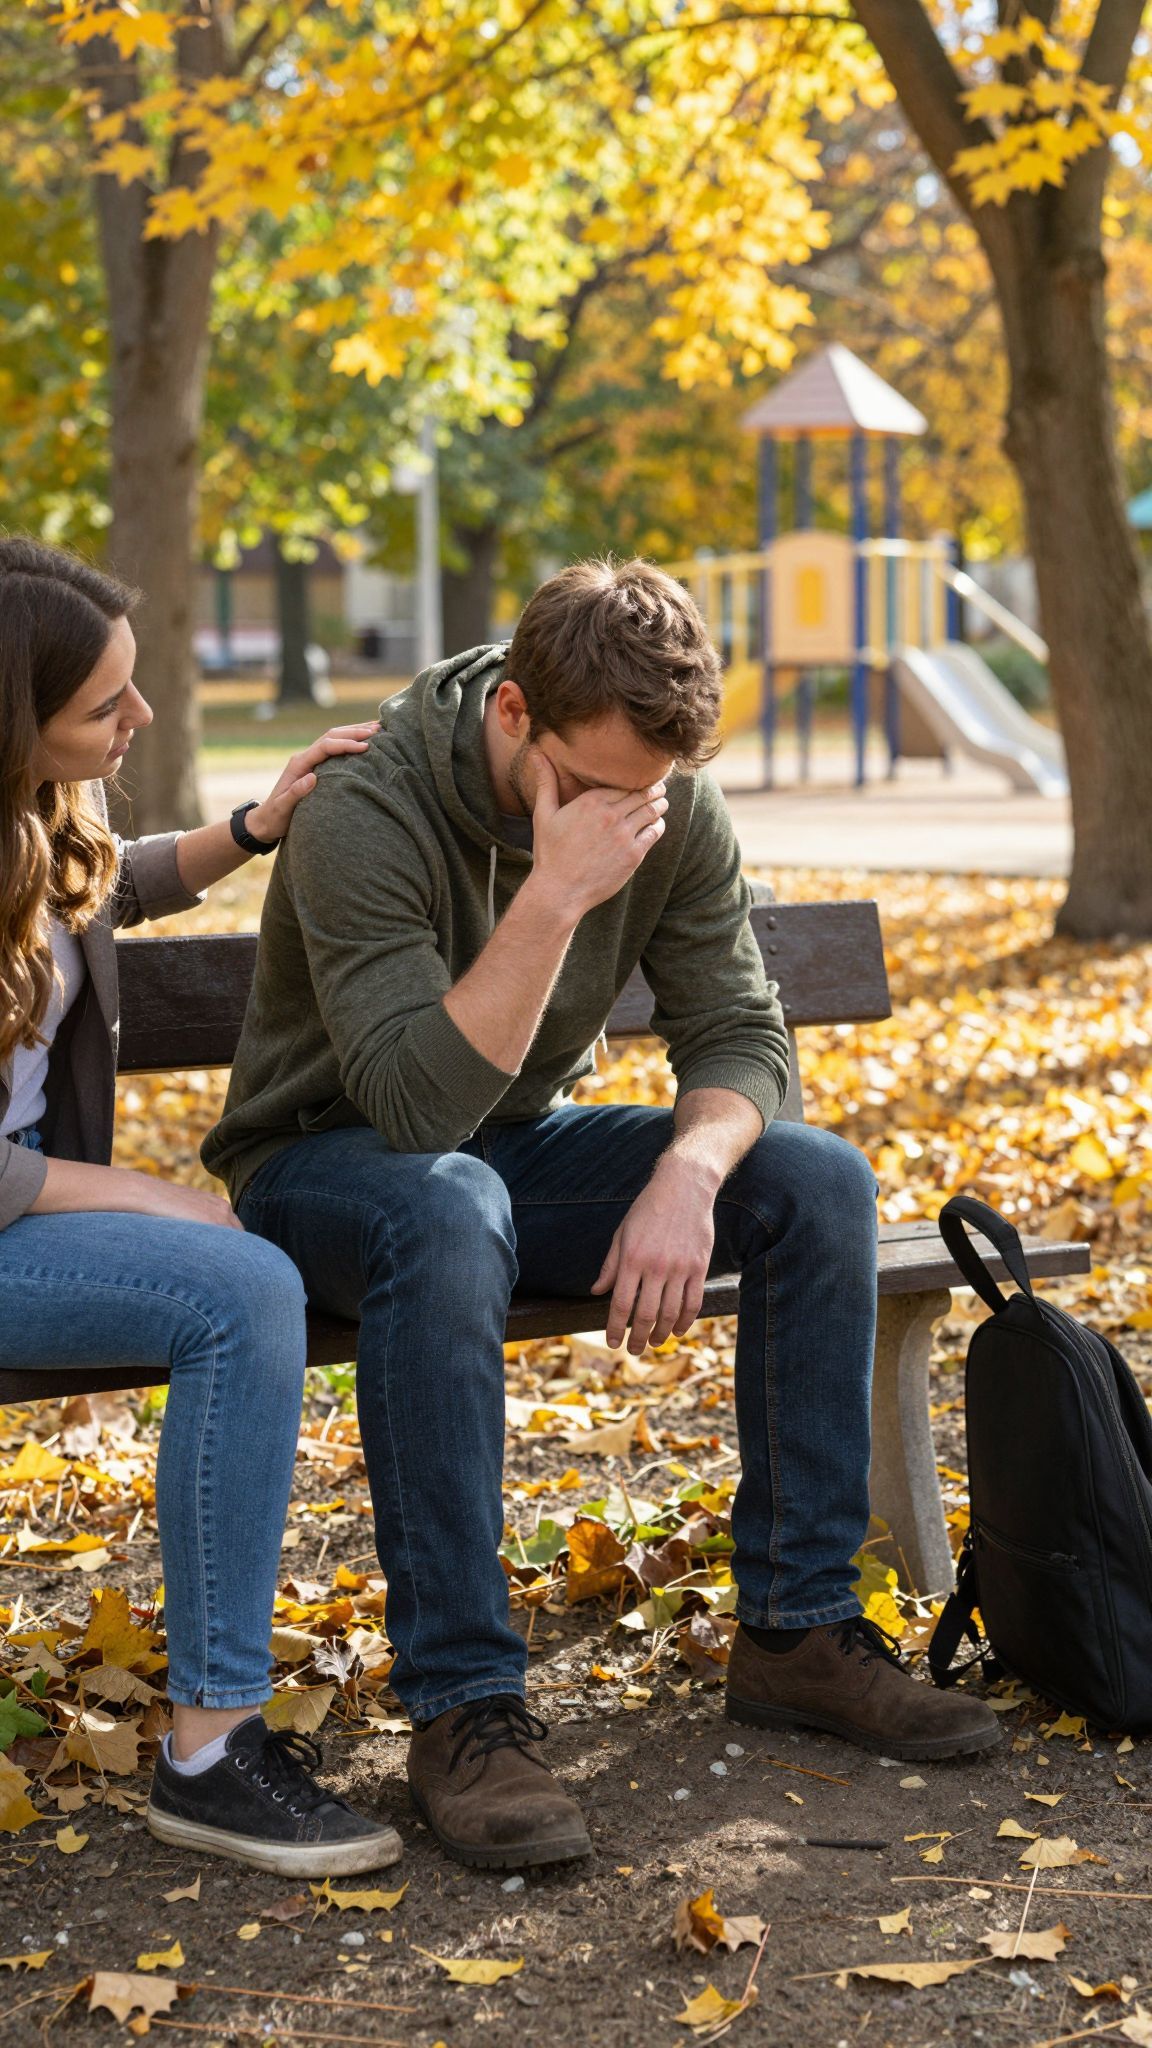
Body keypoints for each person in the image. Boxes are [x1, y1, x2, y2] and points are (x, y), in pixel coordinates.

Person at [204, 557, 999, 1872]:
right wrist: (556, 891)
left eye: (655, 793)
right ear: (516, 716)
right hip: (323, 1167)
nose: (633, 818)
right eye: (602, 788)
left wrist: (688, 1176)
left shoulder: (662, 797)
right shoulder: (366, 805)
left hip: (500, 1154)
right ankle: (464, 1707)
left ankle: (799, 1632)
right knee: (449, 1202)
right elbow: (412, 1110)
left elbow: (745, 1036)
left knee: (816, 1180)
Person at [0, 537, 400, 1877]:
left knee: (247, 1278)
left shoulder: (36, 820)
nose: (143, 716)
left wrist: (252, 827)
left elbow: (101, 890)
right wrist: (154, 1193)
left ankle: (214, 1734)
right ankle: (211, 1747)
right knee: (241, 1287)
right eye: (107, 705)